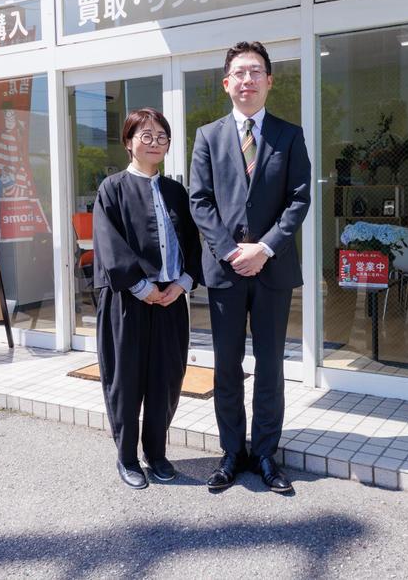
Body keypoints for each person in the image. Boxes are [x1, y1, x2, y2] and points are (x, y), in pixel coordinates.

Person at [189, 41, 311, 493]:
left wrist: (265, 247)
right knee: (226, 365)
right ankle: (230, 452)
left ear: (269, 81)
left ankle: (264, 453)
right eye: (239, 73)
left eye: (255, 71)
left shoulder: (289, 135)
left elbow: (299, 199)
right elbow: (200, 201)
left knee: (271, 366)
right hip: (226, 272)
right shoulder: (208, 136)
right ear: (227, 83)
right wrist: (230, 251)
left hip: (272, 270)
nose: (247, 80)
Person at [93, 107, 202, 490]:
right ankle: (126, 457)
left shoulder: (176, 192)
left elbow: (192, 243)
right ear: (129, 142)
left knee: (166, 380)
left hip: (170, 299)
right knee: (126, 380)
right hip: (128, 301)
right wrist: (141, 287)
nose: (155, 143)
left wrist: (183, 283)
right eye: (146, 135)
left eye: (161, 137)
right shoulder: (112, 189)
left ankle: (156, 454)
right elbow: (109, 246)